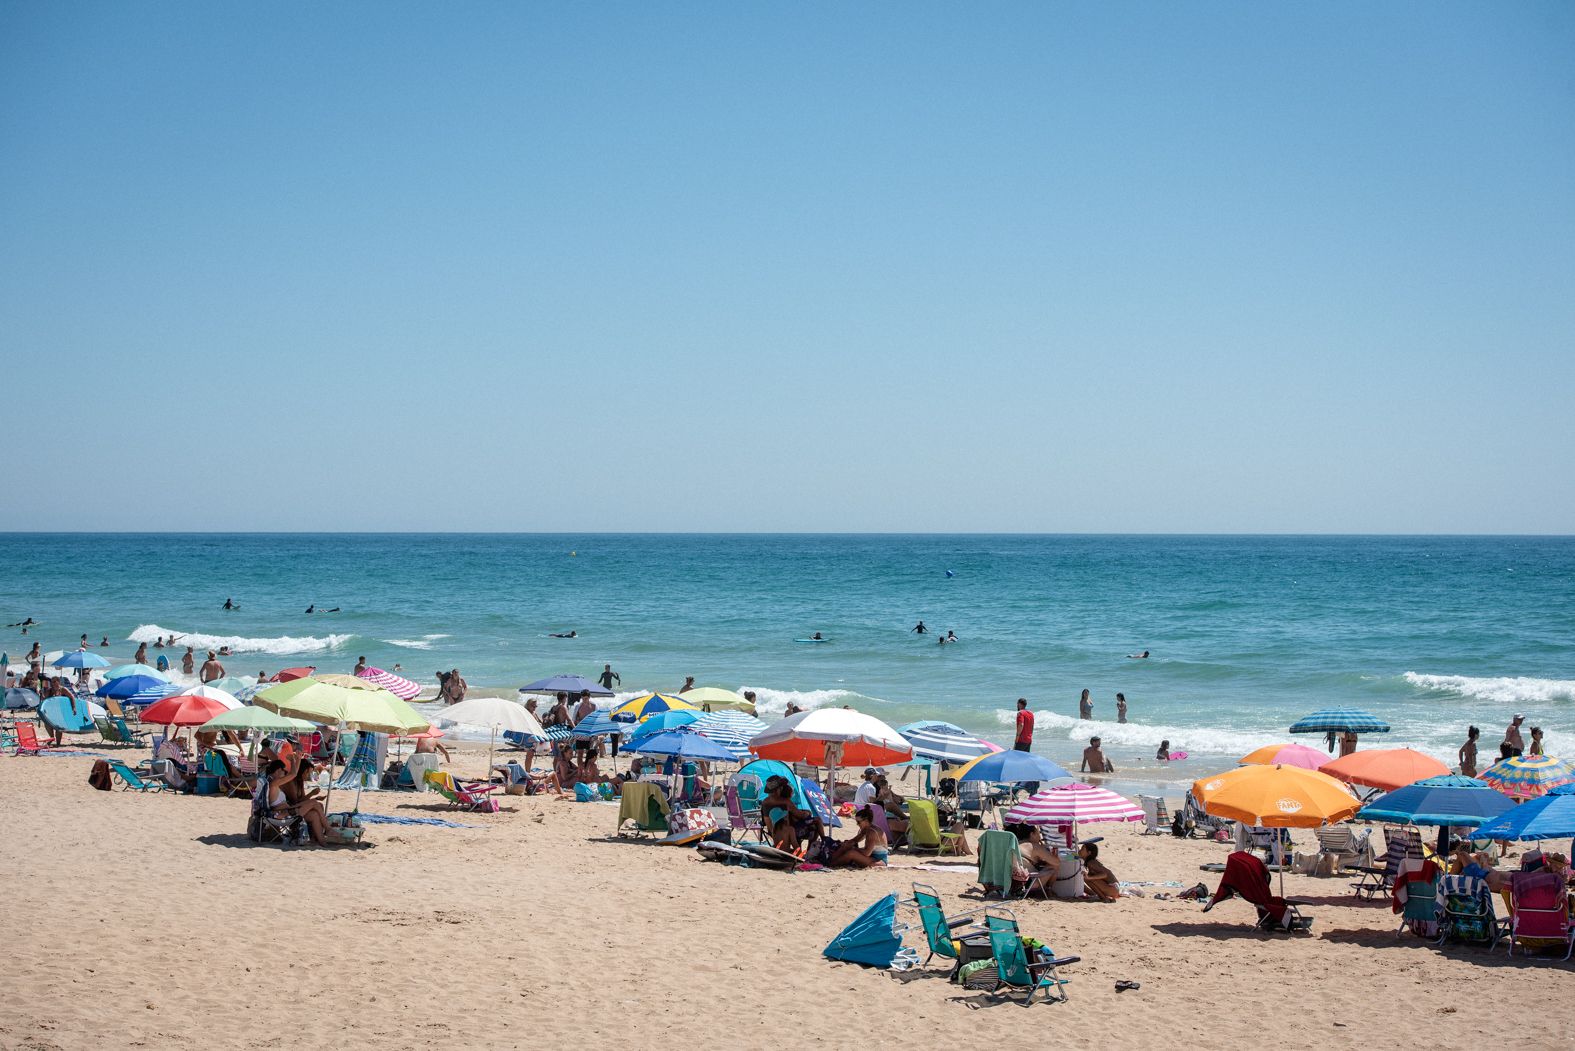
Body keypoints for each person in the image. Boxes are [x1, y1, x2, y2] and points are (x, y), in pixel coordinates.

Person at [1018, 825, 1062, 895]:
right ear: (1032, 834)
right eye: (1038, 834)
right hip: (1028, 885)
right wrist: (1046, 851)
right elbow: (1057, 862)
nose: (1040, 837)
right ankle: (1048, 889)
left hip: (1013, 884)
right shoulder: (1034, 846)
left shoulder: (1017, 844)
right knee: (1054, 866)